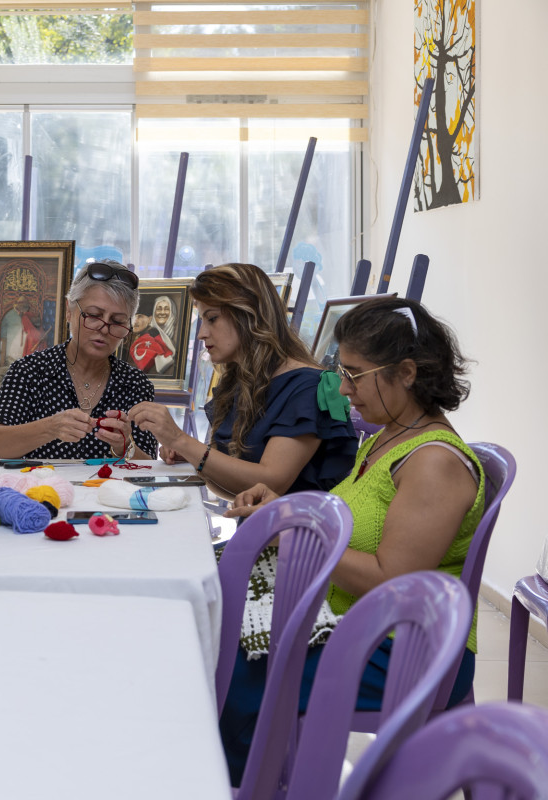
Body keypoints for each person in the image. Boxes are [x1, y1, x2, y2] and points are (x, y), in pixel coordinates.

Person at [218, 296, 484, 785]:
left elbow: (393, 579)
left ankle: (239, 784)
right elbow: (340, 519)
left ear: (406, 372)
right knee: (218, 623)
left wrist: (294, 537)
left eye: (356, 374)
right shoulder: (387, 438)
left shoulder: (434, 463)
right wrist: (284, 508)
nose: (343, 388)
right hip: (354, 622)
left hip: (402, 646)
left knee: (235, 669)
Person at [129, 262, 357, 498]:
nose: (201, 333)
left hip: (295, 533)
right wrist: (193, 457)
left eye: (212, 318)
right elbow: (235, 491)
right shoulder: (239, 383)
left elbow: (270, 485)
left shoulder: (307, 386)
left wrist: (183, 442)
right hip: (257, 530)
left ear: (248, 315)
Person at [0, 259, 158, 460]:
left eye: (117, 321)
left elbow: (150, 467)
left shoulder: (135, 385)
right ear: (69, 311)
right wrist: (49, 428)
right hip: (40, 491)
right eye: (93, 315)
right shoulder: (30, 371)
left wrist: (125, 446)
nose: (104, 329)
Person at [129, 294, 177, 376]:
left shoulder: (152, 336)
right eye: (134, 317)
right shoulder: (134, 336)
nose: (135, 321)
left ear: (150, 319)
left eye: (140, 316)